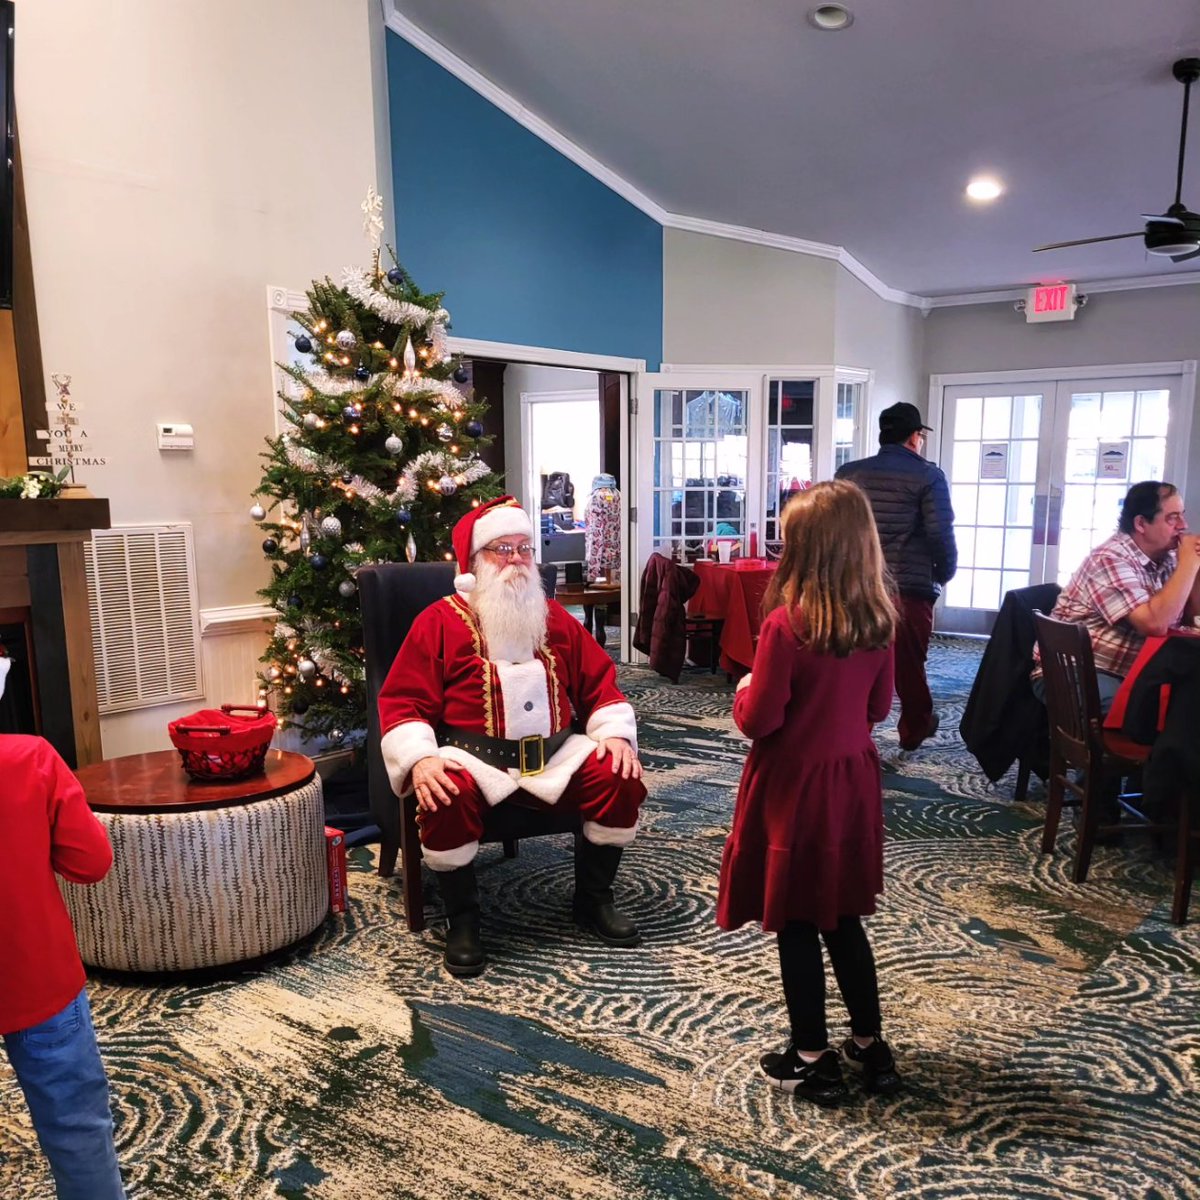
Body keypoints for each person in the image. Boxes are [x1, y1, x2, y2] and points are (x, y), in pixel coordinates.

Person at [379, 495, 645, 977]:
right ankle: (463, 919)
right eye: (503, 549)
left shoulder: (551, 615)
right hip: (475, 761)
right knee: (443, 791)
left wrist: (615, 734)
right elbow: (403, 702)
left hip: (558, 754)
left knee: (619, 776)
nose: (518, 560)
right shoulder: (438, 622)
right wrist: (420, 759)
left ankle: (593, 899)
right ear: (476, 562)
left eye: (525, 548)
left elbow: (599, 681)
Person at [716, 481, 902, 1106]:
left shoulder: (784, 624)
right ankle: (872, 1047)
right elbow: (879, 707)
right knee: (843, 916)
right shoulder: (880, 621)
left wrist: (743, 691)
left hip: (792, 789)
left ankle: (812, 1055)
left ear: (806, 549)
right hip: (850, 784)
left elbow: (761, 720)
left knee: (796, 921)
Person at [1, 732, 126, 1200]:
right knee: (77, 1131)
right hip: (39, 978)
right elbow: (91, 861)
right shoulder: (30, 758)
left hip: (41, 983)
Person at [836, 401, 956, 751]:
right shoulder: (929, 475)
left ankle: (856, 735)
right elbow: (939, 533)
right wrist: (944, 573)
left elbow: (837, 531)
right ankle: (914, 730)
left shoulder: (848, 473)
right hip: (909, 588)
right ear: (915, 437)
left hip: (857, 586)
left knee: (857, 663)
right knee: (909, 664)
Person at [1032, 480, 1200, 710]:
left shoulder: (1168, 558)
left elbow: (1192, 616)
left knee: (1186, 703)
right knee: (1153, 713)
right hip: (1077, 670)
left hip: (1131, 670)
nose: (1184, 525)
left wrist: (1195, 569)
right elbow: (1154, 625)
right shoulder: (1111, 558)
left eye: (1182, 515)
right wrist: (1188, 565)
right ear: (1141, 523)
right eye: (1172, 518)